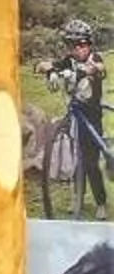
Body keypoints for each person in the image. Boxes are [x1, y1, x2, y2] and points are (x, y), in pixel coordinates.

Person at [48, 19, 106, 218]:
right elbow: (45, 64)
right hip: (75, 115)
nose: (78, 49)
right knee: (76, 159)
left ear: (89, 44)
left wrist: (83, 70)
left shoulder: (94, 58)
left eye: (82, 44)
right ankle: (78, 198)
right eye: (72, 45)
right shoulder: (69, 60)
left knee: (91, 162)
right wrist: (50, 70)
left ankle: (101, 203)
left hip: (92, 115)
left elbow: (98, 68)